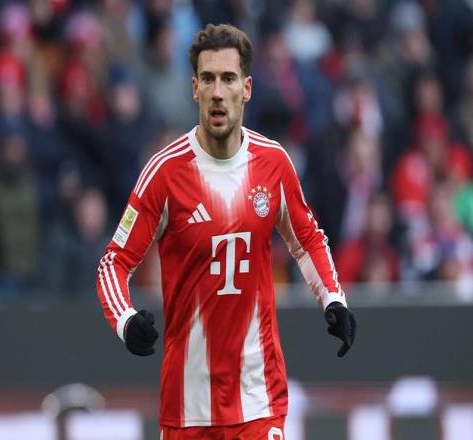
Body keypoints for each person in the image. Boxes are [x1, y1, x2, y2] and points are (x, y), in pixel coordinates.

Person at [96, 23, 357, 439]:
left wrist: (333, 297)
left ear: (247, 88)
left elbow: (307, 240)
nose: (218, 92)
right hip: (187, 407)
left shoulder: (273, 164)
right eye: (208, 79)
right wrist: (125, 320)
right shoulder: (164, 173)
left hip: (259, 399)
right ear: (194, 89)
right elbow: (114, 262)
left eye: (229, 79)